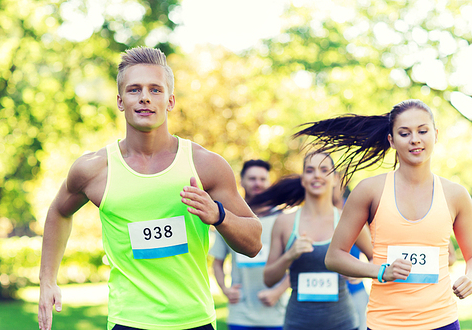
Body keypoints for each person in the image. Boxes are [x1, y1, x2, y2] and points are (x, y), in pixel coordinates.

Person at [38, 46, 262, 330]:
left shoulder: (205, 165)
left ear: (170, 101)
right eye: (135, 90)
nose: (145, 96)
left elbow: (254, 242)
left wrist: (218, 215)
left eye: (155, 89)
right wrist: (47, 280)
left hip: (195, 321)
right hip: (127, 321)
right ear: (120, 101)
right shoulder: (94, 170)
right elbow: (59, 211)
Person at [296, 99, 472, 329]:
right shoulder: (370, 190)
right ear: (391, 140)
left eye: (423, 131)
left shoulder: (456, 194)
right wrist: (380, 271)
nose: (415, 139)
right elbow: (334, 256)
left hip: (442, 321)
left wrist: (469, 277)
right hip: (385, 323)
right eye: (404, 133)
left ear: (435, 134)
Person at [251, 152, 372, 330]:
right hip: (297, 324)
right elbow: (268, 279)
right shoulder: (285, 222)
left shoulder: (348, 220)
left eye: (324, 170)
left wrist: (360, 272)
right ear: (303, 179)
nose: (317, 175)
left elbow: (377, 260)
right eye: (310, 170)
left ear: (335, 179)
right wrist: (289, 255)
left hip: (343, 324)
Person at [210, 159, 288, 330]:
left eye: (262, 179)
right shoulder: (228, 219)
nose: (257, 183)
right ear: (241, 181)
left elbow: (297, 262)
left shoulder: (282, 218)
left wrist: (278, 292)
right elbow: (217, 262)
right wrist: (225, 289)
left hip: (275, 316)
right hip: (241, 316)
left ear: (269, 182)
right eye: (252, 179)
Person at [333, 184, 369, 330]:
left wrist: (362, 271)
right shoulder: (310, 214)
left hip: (354, 289)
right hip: (320, 298)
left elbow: (374, 250)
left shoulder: (355, 206)